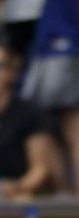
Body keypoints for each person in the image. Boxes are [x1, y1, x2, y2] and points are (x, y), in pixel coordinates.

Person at [20, 0, 79, 200]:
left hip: (67, 41)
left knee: (74, 122)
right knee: (45, 122)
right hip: (62, 39)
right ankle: (67, 193)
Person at [0, 40, 49, 200]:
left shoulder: (27, 112)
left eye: (1, 65)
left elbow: (39, 168)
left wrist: (17, 187)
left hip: (14, 190)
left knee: (24, 200)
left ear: (12, 72)